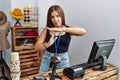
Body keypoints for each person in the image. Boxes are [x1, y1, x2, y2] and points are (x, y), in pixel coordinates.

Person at [35, 5, 86, 73]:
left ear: (62, 16)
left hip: (63, 61)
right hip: (47, 60)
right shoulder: (46, 30)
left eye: (58, 16)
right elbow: (36, 47)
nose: (55, 19)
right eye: (52, 17)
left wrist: (62, 29)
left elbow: (83, 32)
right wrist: (47, 45)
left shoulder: (68, 29)